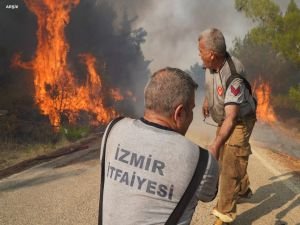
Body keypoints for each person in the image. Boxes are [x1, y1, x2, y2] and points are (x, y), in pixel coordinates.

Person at [99, 67, 219, 225]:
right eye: (191, 110)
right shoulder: (202, 160)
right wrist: (213, 158)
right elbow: (208, 194)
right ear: (179, 113)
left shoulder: (113, 129)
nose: (191, 117)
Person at [198, 28, 257, 224]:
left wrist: (214, 145)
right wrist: (208, 101)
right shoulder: (210, 65)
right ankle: (242, 188)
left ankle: (223, 215)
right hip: (226, 117)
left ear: (212, 55)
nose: (199, 55)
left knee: (230, 164)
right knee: (226, 156)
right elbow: (211, 85)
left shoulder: (233, 75)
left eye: (201, 52)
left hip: (240, 119)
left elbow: (232, 118)